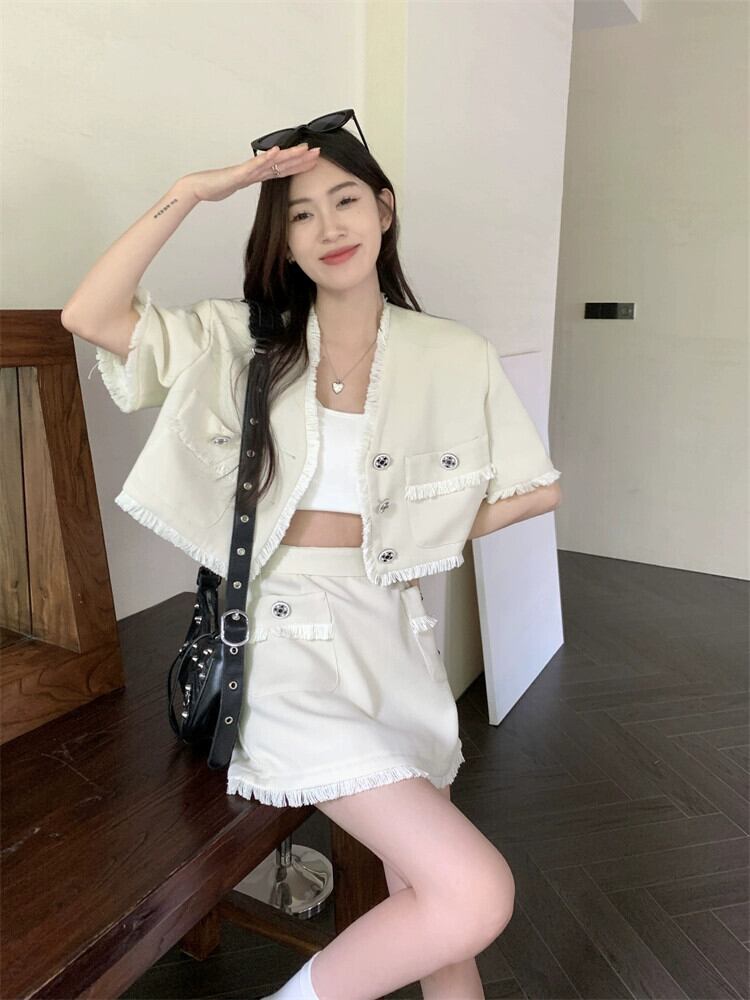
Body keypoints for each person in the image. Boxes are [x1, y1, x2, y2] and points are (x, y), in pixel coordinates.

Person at [62, 111, 561, 1000]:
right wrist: (193, 192)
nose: (328, 226)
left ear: (384, 208)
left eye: (345, 200)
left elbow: (535, 489)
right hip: (284, 641)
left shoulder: (453, 354)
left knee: (433, 906)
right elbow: (89, 314)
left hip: (393, 635)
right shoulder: (244, 341)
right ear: (283, 240)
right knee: (474, 892)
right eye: (300, 213)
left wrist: (410, 532)